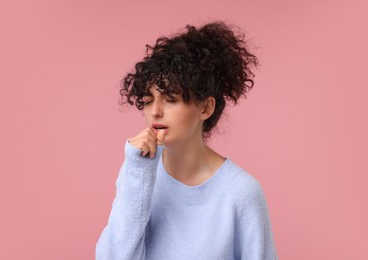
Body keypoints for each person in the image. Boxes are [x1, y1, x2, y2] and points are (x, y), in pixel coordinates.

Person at [96, 20, 278, 260]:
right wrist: (137, 171)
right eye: (148, 99)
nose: (155, 111)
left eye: (170, 98)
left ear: (206, 108)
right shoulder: (138, 176)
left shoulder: (241, 193)